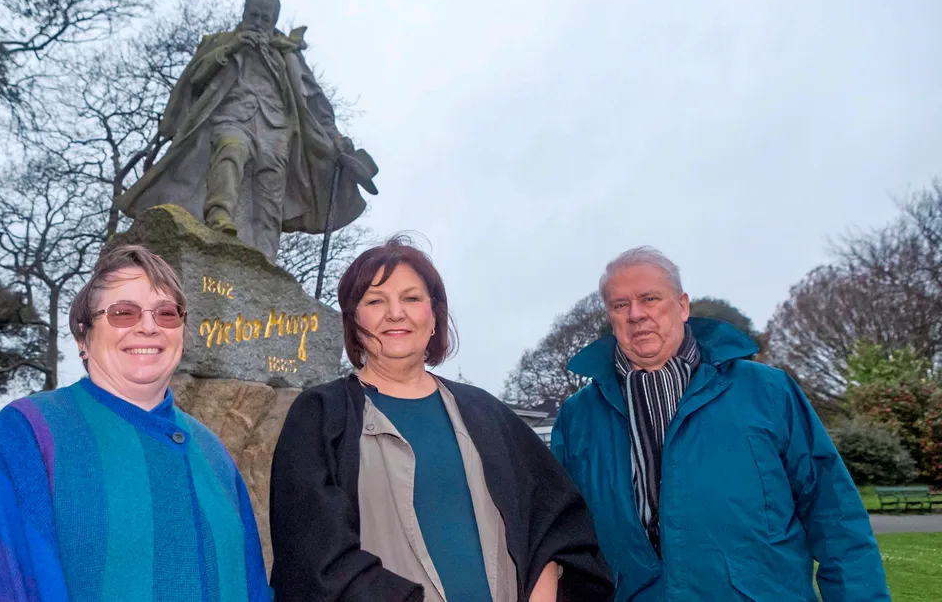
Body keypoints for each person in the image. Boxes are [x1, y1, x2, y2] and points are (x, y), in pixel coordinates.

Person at [0, 245, 271, 602]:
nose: (148, 326)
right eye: (123, 313)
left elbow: (252, 582)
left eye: (166, 313)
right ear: (83, 337)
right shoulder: (26, 435)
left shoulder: (211, 450)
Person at [268, 236, 613, 602]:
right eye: (375, 301)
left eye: (411, 298)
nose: (395, 313)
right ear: (353, 321)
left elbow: (557, 527)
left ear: (434, 316)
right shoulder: (320, 415)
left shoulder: (487, 413)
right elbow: (314, 557)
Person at [551, 246, 889, 601]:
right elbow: (563, 537)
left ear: (682, 306)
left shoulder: (768, 391)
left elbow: (834, 516)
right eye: (620, 305)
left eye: (650, 298)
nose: (636, 314)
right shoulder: (577, 418)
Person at [116, 0, 378, 262]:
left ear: (273, 19)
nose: (258, 20)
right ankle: (218, 217)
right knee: (232, 149)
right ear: (244, 13)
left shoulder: (287, 54)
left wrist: (333, 135)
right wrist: (233, 48)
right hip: (231, 115)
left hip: (275, 128)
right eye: (253, 14)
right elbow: (195, 79)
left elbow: (314, 101)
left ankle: (265, 259)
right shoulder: (220, 42)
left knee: (270, 189)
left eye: (265, 17)